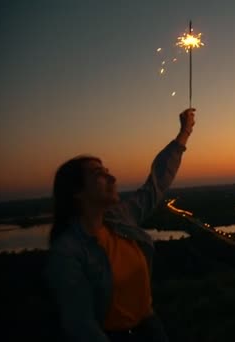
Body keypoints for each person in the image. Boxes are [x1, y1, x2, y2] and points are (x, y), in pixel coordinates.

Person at [45, 108, 196, 342]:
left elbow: (155, 184)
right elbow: (81, 324)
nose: (112, 178)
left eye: (107, 171)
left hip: (151, 328)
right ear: (77, 192)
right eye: (99, 174)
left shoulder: (120, 218)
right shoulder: (67, 252)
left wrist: (184, 134)